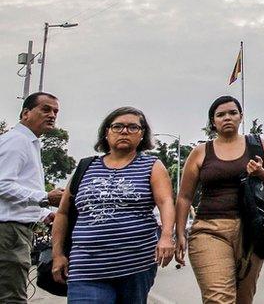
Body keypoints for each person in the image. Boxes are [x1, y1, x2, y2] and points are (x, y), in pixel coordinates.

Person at [50, 106, 176, 303]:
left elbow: (166, 201)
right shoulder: (85, 167)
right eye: (118, 126)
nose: (125, 131)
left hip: (136, 266)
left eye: (133, 127)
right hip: (86, 267)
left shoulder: (152, 165)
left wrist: (167, 237)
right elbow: (64, 213)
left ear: (142, 135)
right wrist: (57, 254)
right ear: (106, 132)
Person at [175, 96, 264, 304]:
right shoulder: (200, 152)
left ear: (241, 117)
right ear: (213, 122)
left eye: (232, 113)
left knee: (244, 298)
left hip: (253, 231)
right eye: (220, 115)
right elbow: (184, 197)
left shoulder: (257, 145)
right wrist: (178, 233)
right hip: (209, 230)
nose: (227, 118)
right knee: (219, 299)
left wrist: (261, 172)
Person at [0, 92, 64, 303]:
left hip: (16, 228)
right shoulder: (17, 141)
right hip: (9, 231)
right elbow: (3, 185)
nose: (52, 115)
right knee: (11, 297)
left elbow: (19, 188)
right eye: (45, 109)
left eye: (55, 111)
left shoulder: (28, 142)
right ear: (25, 113)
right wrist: (45, 197)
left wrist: (44, 213)